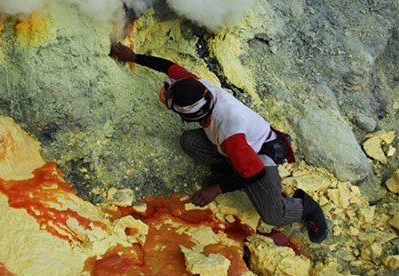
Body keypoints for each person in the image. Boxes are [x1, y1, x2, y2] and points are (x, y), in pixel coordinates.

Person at [110, 42, 327, 243]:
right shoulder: (197, 87)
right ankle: (231, 169)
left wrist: (217, 189)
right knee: (190, 141)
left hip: (261, 154)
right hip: (238, 147)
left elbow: (256, 173)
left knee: (273, 215)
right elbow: (168, 66)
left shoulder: (229, 131)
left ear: (191, 115)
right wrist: (134, 57)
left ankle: (306, 207)